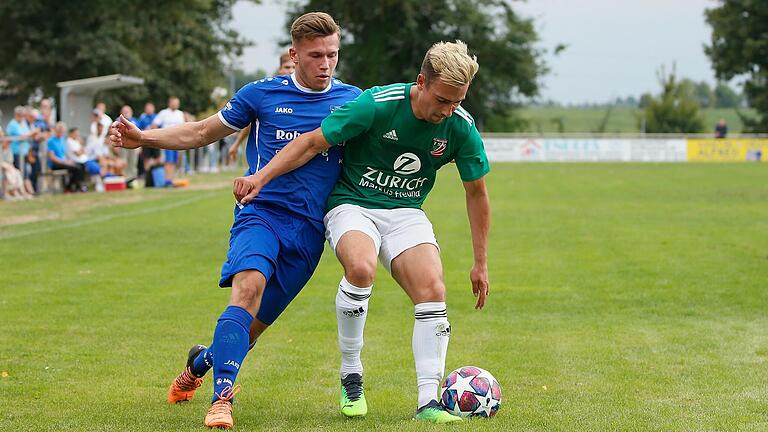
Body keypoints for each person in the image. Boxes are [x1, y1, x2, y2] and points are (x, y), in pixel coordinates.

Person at [108, 12, 360, 429]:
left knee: (249, 331)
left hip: (310, 231)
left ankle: (201, 362)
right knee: (247, 290)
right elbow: (203, 132)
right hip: (259, 214)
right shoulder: (260, 94)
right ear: (294, 55)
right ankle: (221, 401)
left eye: (333, 55)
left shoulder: (353, 99)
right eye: (316, 55)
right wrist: (144, 139)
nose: (326, 64)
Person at [233, 40, 491, 424]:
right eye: (442, 100)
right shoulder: (377, 104)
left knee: (433, 290)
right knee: (360, 268)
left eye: (457, 102)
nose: (448, 110)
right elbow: (311, 142)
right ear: (421, 82)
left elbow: (477, 193)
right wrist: (260, 176)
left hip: (405, 212)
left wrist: (480, 263)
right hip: (351, 203)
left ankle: (428, 402)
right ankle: (351, 374)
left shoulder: (460, 127)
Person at [228, 50, 297, 164]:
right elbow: (251, 122)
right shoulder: (268, 94)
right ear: (280, 69)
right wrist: (236, 144)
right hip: (268, 159)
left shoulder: (305, 95)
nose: (290, 71)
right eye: (287, 67)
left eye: (294, 67)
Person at [151, 96, 186, 181]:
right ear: (169, 103)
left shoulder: (180, 113)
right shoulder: (164, 113)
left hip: (178, 140)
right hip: (167, 140)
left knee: (174, 160)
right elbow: (154, 125)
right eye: (174, 103)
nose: (175, 105)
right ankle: (167, 179)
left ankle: (171, 179)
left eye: (177, 103)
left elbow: (184, 126)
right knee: (168, 160)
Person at [47, 122, 86, 192]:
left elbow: (65, 154)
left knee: (80, 166)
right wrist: (65, 162)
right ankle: (71, 187)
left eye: (62, 131)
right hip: (55, 164)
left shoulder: (62, 139)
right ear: (56, 130)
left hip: (64, 162)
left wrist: (68, 161)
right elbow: (52, 157)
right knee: (76, 168)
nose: (61, 133)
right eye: (59, 131)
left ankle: (75, 187)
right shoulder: (51, 141)